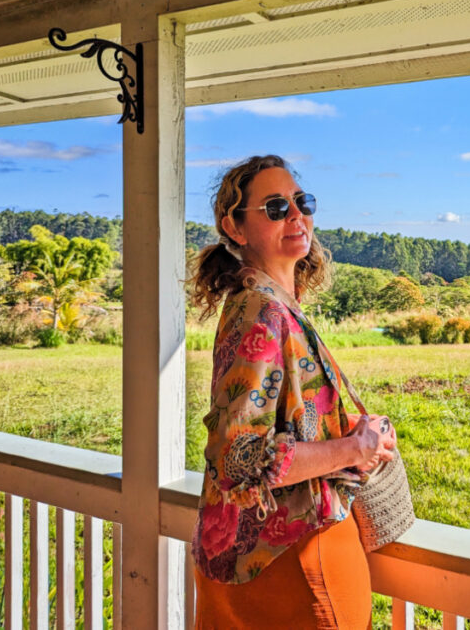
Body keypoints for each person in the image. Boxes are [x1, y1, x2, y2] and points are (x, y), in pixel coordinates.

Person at [188, 155, 396, 629]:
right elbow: (239, 456)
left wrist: (347, 437)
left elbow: (276, 421)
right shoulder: (262, 313)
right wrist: (353, 447)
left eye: (302, 201)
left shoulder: (262, 304)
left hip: (249, 559)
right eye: (276, 207)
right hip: (291, 560)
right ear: (235, 228)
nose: (297, 215)